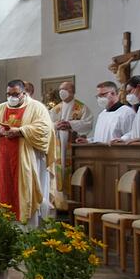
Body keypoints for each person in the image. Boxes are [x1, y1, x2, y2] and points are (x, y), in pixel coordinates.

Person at [0, 80, 54, 227]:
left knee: (25, 191)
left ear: (24, 93)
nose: (11, 97)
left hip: (27, 158)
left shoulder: (36, 107)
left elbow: (45, 128)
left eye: (15, 94)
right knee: (3, 191)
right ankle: (3, 229)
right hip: (1, 159)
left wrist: (21, 131)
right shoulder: (0, 108)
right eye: (8, 94)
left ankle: (28, 231)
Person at [49, 81, 93, 209]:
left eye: (65, 89)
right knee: (58, 173)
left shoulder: (81, 108)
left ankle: (72, 203)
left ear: (72, 91)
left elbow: (88, 123)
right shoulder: (55, 109)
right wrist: (56, 125)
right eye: (60, 89)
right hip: (57, 144)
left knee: (70, 172)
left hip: (73, 145)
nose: (62, 91)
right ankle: (58, 203)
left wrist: (70, 124)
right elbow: (46, 125)